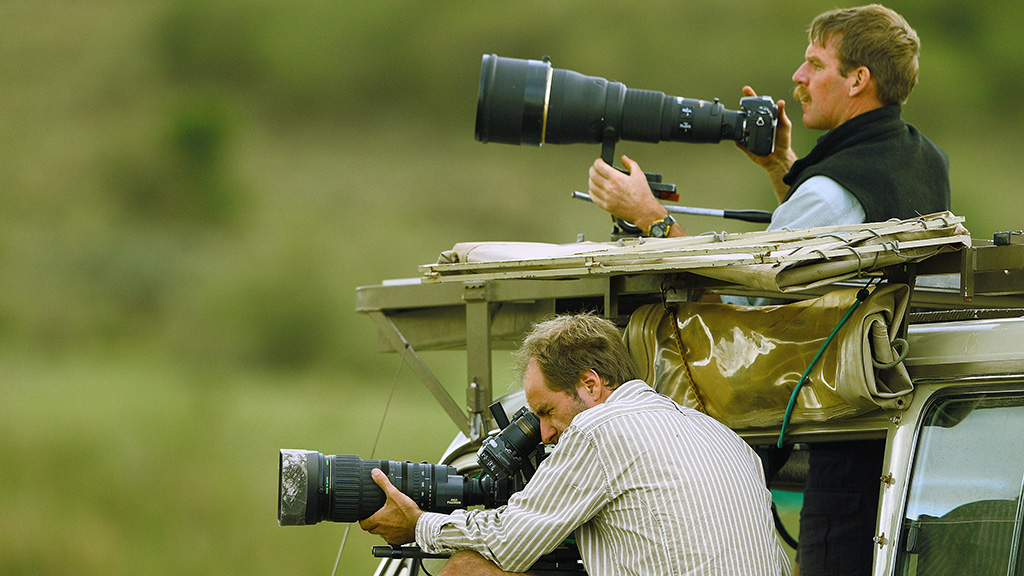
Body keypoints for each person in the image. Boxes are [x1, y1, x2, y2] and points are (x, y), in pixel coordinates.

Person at [586, 5, 951, 576]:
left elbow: (748, 295)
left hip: (842, 432)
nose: (798, 80)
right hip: (900, 421)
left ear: (858, 80)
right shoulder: (919, 157)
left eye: (814, 64)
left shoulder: (832, 191)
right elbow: (824, 253)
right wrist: (782, 164)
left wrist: (651, 219)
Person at [359, 312, 791, 576]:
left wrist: (419, 524)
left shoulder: (598, 429)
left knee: (470, 571)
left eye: (546, 411)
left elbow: (511, 540)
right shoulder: (721, 434)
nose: (544, 434)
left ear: (590, 384)